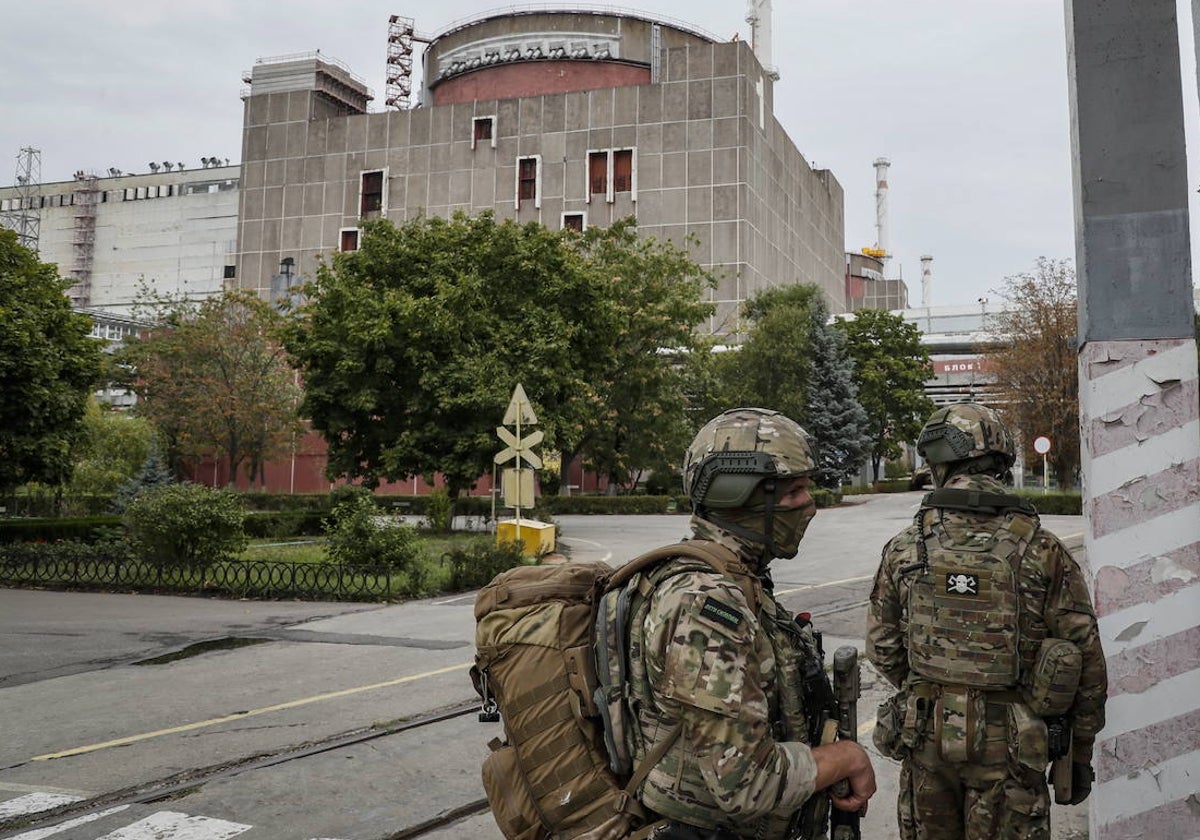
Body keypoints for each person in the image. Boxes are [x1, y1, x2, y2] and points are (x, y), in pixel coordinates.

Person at [625, 407, 876, 840]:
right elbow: (746, 783)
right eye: (794, 491)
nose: (809, 507)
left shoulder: (738, 580)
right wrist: (847, 757)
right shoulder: (705, 604)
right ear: (737, 494)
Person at [866, 402, 1107, 840]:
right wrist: (1081, 750)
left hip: (928, 742)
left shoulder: (906, 546)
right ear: (999, 461)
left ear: (938, 464)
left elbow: (882, 648)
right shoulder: (1041, 548)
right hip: (1013, 751)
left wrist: (933, 685)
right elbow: (1086, 657)